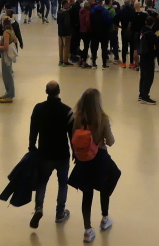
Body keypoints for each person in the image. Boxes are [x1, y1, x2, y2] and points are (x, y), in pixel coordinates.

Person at [68, 88, 120, 244]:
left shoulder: (77, 118)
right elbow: (110, 141)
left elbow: (73, 137)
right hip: (100, 158)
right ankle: (105, 217)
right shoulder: (103, 119)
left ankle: (87, 229)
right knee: (107, 183)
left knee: (87, 194)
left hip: (83, 160)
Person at [29, 81, 73, 228]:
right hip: (62, 153)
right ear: (59, 91)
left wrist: (32, 146)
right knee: (63, 183)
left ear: (46, 92)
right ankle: (60, 213)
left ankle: (38, 208)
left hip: (44, 153)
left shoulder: (39, 108)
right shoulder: (67, 111)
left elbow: (33, 129)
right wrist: (75, 152)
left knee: (42, 181)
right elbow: (71, 134)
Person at [0, 17, 19, 103]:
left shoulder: (6, 33)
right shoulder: (12, 31)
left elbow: (5, 46)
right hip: (10, 55)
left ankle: (9, 94)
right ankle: (8, 93)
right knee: (8, 73)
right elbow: (15, 41)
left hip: (6, 55)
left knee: (7, 75)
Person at [137, 16, 158, 104]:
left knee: (143, 75)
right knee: (149, 77)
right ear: (153, 23)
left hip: (142, 56)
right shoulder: (152, 35)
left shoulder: (142, 31)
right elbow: (155, 47)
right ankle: (145, 96)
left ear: (146, 22)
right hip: (149, 57)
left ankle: (141, 94)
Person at [57, 0, 73, 66]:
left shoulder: (59, 11)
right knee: (66, 47)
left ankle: (60, 61)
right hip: (65, 33)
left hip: (60, 32)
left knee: (60, 47)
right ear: (65, 4)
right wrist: (68, 33)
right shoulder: (66, 13)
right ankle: (65, 61)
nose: (69, 5)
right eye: (68, 4)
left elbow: (58, 22)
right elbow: (67, 24)